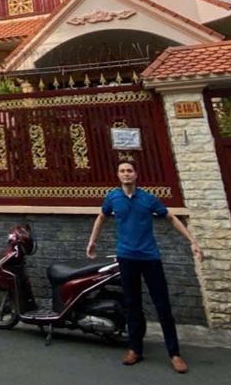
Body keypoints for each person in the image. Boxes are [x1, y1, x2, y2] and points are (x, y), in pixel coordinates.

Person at [86, 158, 203, 373]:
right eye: (122, 171)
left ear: (136, 174)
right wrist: (92, 241)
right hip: (126, 257)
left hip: (150, 257)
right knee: (133, 305)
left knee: (162, 305)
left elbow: (171, 218)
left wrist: (192, 241)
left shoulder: (148, 199)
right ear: (118, 175)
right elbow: (101, 217)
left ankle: (174, 353)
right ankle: (135, 349)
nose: (126, 174)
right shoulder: (113, 198)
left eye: (129, 170)